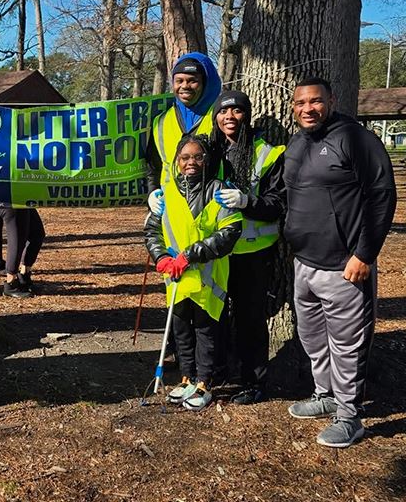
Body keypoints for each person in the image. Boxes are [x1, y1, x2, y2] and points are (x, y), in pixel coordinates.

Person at [284, 77, 396, 448]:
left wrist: (365, 254)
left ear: (331, 100)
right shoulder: (298, 142)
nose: (307, 109)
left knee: (346, 344)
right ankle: (325, 395)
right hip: (304, 263)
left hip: (344, 266)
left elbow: (381, 197)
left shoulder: (355, 138)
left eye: (315, 101)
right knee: (313, 338)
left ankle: (349, 415)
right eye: (300, 103)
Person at [144, 134, 242, 411]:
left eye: (197, 157)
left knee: (206, 331)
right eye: (185, 157)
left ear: (206, 159)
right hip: (175, 278)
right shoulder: (165, 193)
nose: (191, 163)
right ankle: (186, 377)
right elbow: (152, 230)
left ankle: (204, 382)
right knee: (181, 330)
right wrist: (161, 257)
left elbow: (230, 231)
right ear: (177, 161)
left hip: (208, 277)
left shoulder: (218, 190)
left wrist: (190, 255)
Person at [210, 91, 286, 404]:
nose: (230, 116)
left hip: (252, 252)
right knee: (211, 316)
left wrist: (247, 202)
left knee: (250, 320)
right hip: (213, 249)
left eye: (237, 111)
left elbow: (277, 204)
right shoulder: (206, 150)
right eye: (223, 111)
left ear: (247, 115)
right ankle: (213, 375)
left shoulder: (267, 153)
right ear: (215, 117)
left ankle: (253, 383)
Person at [146, 52, 222, 213]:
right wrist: (152, 193)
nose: (184, 86)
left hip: (212, 207)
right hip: (170, 209)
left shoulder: (220, 117)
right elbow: (153, 166)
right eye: (179, 81)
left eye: (192, 81)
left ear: (206, 83)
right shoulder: (160, 122)